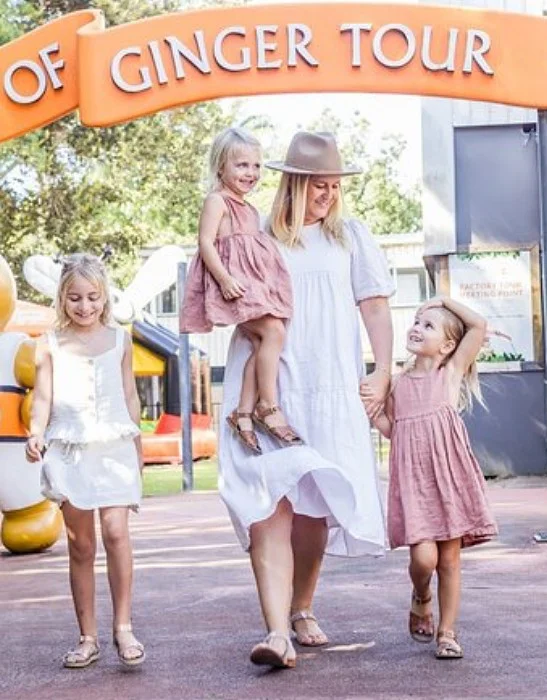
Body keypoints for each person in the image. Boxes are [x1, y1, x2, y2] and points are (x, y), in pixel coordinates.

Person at [219, 131, 394, 669]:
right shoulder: (258, 236)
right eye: (320, 186)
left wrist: (382, 373)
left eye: (336, 186)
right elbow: (231, 300)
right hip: (272, 384)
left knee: (316, 509)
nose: (329, 195)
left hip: (333, 384)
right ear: (293, 184)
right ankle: (276, 633)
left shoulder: (352, 238)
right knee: (270, 506)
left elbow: (376, 309)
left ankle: (300, 606)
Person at [25, 253, 145, 669]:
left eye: (93, 297)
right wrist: (36, 432)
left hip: (114, 446)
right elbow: (43, 398)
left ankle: (124, 627)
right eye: (75, 298)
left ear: (104, 296)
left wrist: (137, 441)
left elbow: (130, 396)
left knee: (116, 534)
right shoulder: (50, 344)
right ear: (62, 298)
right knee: (81, 546)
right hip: (69, 449)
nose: (85, 306)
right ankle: (87, 636)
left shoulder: (120, 340)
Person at [371, 295, 498, 661]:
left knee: (449, 561)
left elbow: (477, 326)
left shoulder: (451, 372)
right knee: (424, 560)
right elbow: (394, 430)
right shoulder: (396, 384)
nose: (416, 328)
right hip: (415, 480)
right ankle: (421, 596)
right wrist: (373, 414)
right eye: (415, 321)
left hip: (450, 476)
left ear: (446, 346)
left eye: (428, 325)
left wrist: (441, 299)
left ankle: (448, 631)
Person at [180, 127, 300, 453]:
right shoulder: (217, 201)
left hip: (252, 285)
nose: (251, 173)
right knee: (273, 331)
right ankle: (269, 407)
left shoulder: (249, 209)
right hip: (230, 286)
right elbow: (205, 242)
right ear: (221, 167)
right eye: (242, 165)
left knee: (264, 339)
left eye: (256, 166)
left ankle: (243, 413)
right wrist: (224, 279)